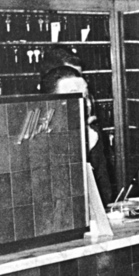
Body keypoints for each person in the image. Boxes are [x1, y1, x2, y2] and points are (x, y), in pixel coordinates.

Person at [39, 65, 113, 206]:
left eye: (86, 95)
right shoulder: (37, 140)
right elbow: (58, 205)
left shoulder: (92, 134)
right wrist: (82, 150)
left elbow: (104, 197)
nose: (85, 103)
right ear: (51, 104)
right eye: (75, 95)